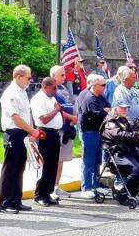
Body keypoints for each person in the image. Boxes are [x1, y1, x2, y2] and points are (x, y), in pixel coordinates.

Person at [0, 65, 41, 213]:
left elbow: (26, 115)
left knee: (20, 167)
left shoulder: (22, 92)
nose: (30, 80)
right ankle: (6, 203)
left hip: (23, 133)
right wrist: (32, 130)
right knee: (10, 168)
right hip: (14, 133)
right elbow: (16, 118)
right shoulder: (10, 93)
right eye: (28, 78)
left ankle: (16, 200)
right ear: (18, 76)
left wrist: (30, 131)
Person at [99, 101, 139, 204]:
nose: (125, 110)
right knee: (137, 171)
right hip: (117, 153)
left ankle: (131, 193)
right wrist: (137, 135)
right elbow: (118, 134)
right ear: (115, 108)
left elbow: (131, 135)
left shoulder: (125, 120)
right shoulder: (110, 121)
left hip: (130, 151)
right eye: (122, 108)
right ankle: (121, 193)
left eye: (126, 108)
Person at [30, 77, 64, 207]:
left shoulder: (51, 98)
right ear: (45, 87)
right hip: (44, 133)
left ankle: (48, 192)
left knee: (52, 165)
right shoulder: (38, 99)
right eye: (54, 87)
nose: (56, 90)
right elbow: (43, 119)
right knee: (44, 165)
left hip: (54, 134)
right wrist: (56, 110)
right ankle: (39, 194)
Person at [74, 74, 110, 199]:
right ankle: (86, 187)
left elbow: (108, 107)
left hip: (98, 131)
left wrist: (106, 110)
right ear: (94, 85)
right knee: (88, 160)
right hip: (89, 132)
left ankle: (95, 184)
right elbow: (98, 113)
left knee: (97, 160)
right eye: (103, 85)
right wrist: (105, 111)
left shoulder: (101, 96)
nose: (105, 87)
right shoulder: (88, 97)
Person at [50, 65, 77, 200]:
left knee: (61, 160)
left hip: (67, 129)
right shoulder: (51, 90)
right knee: (54, 159)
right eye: (61, 75)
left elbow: (70, 104)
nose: (64, 77)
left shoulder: (63, 88)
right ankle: (50, 188)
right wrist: (71, 117)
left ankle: (56, 186)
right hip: (58, 129)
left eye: (64, 74)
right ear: (53, 76)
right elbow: (58, 109)